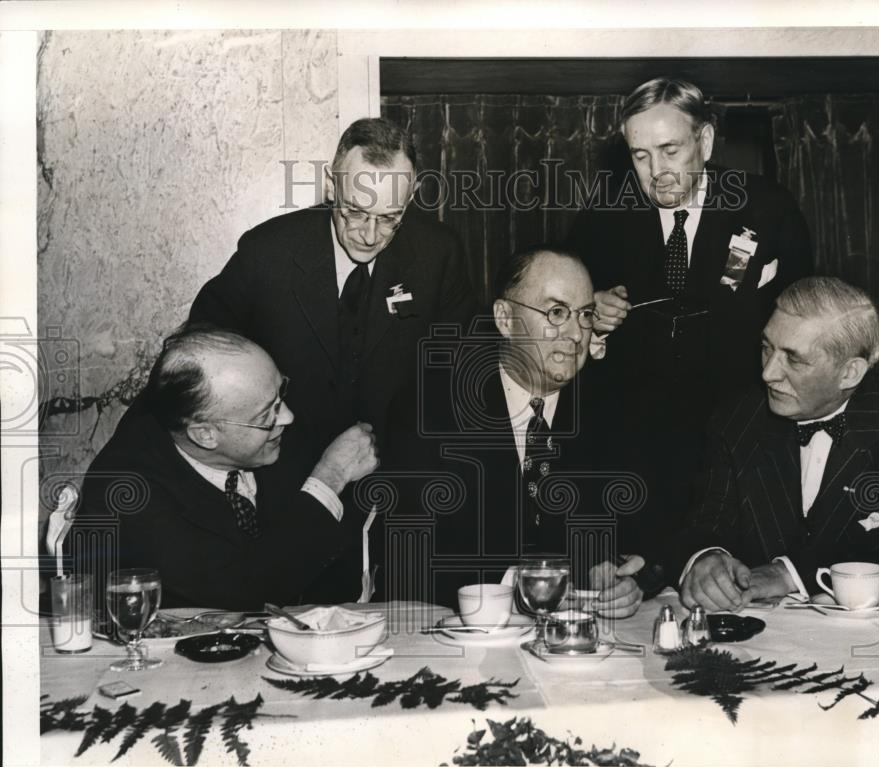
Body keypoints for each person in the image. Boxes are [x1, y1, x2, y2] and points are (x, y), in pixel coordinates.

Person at [568, 77, 814, 555]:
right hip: (636, 452)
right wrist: (589, 309)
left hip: (739, 443)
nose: (657, 171)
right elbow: (560, 318)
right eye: (641, 155)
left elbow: (802, 316)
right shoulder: (601, 218)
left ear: (705, 140)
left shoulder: (768, 209)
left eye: (670, 150)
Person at [377, 246, 647, 617]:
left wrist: (618, 575)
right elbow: (409, 559)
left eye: (585, 315)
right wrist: (520, 588)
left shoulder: (611, 409)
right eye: (556, 312)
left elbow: (637, 534)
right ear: (505, 319)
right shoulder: (431, 410)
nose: (576, 334)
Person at [189, 117, 476, 461]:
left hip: (397, 469)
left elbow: (455, 378)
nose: (369, 235)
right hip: (285, 469)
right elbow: (198, 354)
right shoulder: (267, 253)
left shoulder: (438, 254)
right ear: (330, 186)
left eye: (389, 218)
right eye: (355, 211)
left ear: (411, 196)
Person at [70, 325, 379, 611]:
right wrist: (331, 476)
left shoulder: (253, 407)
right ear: (205, 435)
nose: (288, 416)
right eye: (266, 416)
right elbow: (244, 592)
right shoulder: (127, 494)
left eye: (281, 394)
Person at [673, 277, 879, 611]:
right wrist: (707, 557)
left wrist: (791, 574)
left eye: (793, 359)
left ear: (850, 373)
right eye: (767, 347)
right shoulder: (738, 416)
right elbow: (707, 519)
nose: (768, 373)